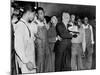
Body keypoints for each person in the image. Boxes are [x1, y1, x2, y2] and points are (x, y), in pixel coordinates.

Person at [14, 5, 37, 74]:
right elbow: (18, 46)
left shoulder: (26, 24)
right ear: (29, 13)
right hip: (25, 63)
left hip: (30, 59)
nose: (34, 17)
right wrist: (26, 61)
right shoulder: (20, 25)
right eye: (33, 14)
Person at [35, 7, 50, 73]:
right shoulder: (35, 23)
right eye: (40, 13)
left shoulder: (45, 23)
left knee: (46, 64)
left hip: (46, 47)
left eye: (43, 13)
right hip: (39, 48)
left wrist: (45, 23)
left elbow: (47, 29)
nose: (42, 15)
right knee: (40, 64)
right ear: (37, 15)